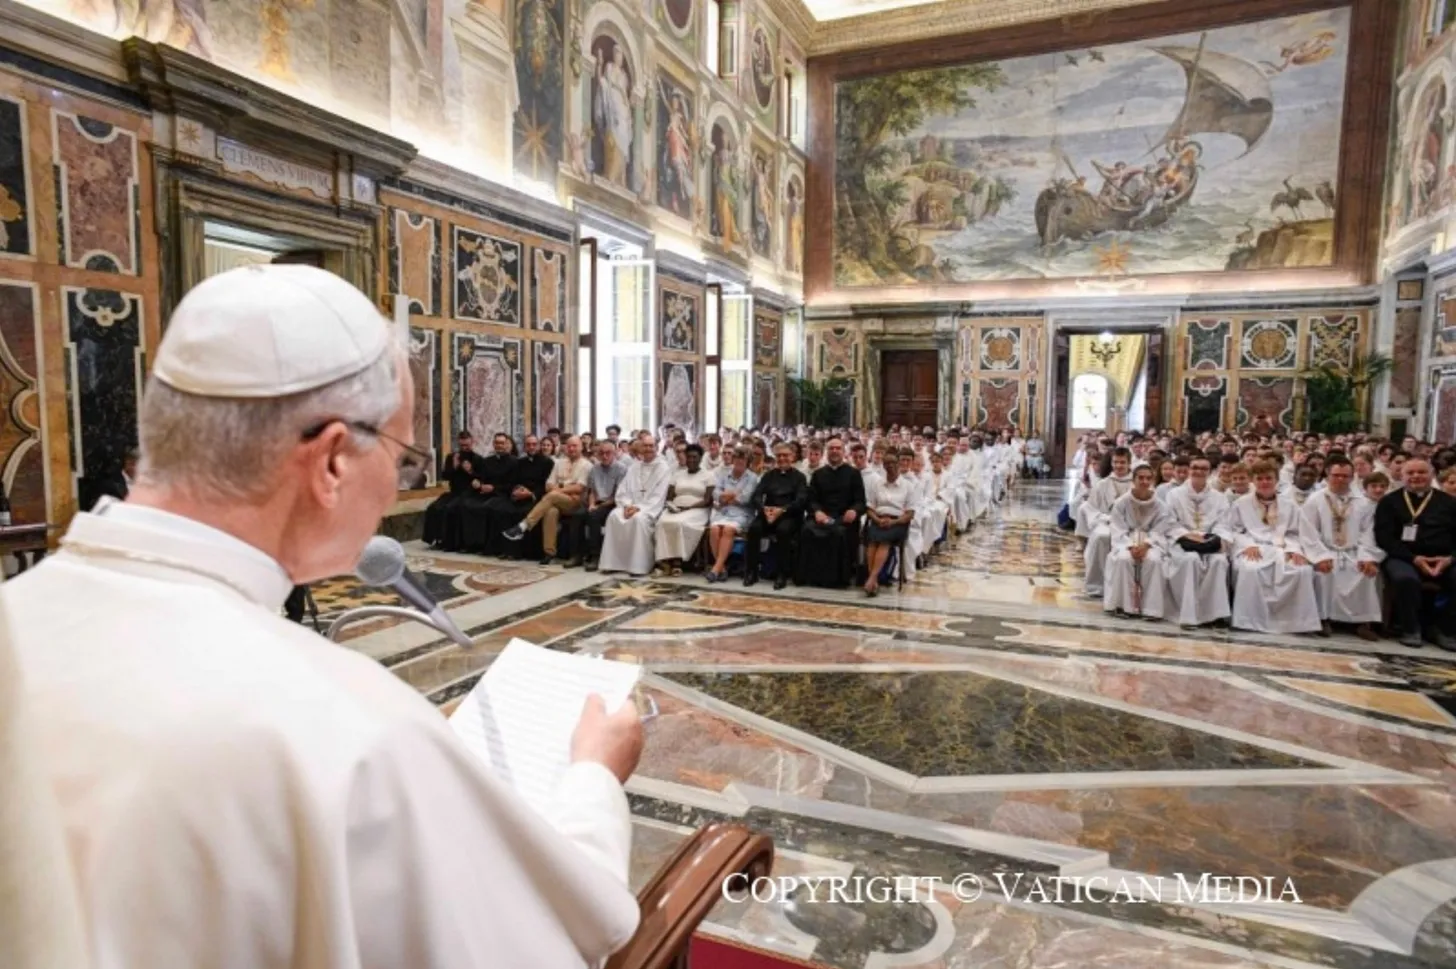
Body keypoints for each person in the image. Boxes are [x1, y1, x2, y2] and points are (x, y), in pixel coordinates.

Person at [0, 265, 644, 968]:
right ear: (333, 457)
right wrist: (595, 778)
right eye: (401, 455)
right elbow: (543, 945)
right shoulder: (351, 727)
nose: (398, 481)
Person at [1226, 460, 1321, 634]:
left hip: (1282, 548)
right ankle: (1249, 621)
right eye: (1260, 478)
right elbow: (1233, 530)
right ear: (1253, 481)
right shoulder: (1241, 503)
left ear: (1276, 480)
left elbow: (1295, 532)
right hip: (1254, 547)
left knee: (1301, 571)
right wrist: (1247, 545)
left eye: (1268, 478)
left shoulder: (1289, 504)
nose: (1264, 482)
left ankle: (1294, 622)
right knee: (1250, 569)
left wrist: (1294, 550)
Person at [1374, 458, 1456, 649]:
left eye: (1421, 472)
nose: (1416, 476)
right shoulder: (1389, 501)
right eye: (1410, 473)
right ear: (1402, 476)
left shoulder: (1450, 503)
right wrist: (1414, 558)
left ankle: (1445, 630)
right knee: (1405, 579)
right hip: (1404, 556)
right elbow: (1384, 537)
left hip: (1443, 559)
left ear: (1432, 475)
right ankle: (1410, 628)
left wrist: (1450, 559)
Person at [1299, 455, 1382, 640]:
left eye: (1345, 476)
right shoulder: (1315, 500)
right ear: (1327, 475)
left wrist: (1366, 557)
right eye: (1336, 475)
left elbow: (1368, 532)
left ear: (1352, 477)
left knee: (1365, 573)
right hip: (1325, 550)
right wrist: (1319, 556)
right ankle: (1323, 619)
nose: (1340, 480)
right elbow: (1308, 531)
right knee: (1324, 573)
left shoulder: (1363, 502)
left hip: (1353, 552)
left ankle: (1362, 622)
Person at [1163, 456, 1232, 629]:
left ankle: (1215, 614)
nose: (1199, 471)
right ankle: (1189, 614)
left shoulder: (1220, 498)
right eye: (1195, 467)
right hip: (1182, 542)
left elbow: (1224, 523)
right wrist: (1187, 536)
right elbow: (1170, 522)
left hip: (1209, 542)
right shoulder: (1174, 495)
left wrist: (1212, 539)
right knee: (1190, 560)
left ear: (1210, 472)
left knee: (1219, 561)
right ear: (1189, 470)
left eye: (1203, 468)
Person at [503, 435, 592, 565]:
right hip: (560, 500)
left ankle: (523, 526)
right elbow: (548, 485)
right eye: (569, 446)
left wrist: (558, 489)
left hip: (576, 504)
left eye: (575, 446)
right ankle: (549, 552)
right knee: (550, 511)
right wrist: (566, 489)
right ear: (565, 447)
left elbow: (579, 488)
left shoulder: (587, 465)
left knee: (552, 496)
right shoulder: (559, 463)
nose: (571, 449)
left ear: (581, 447)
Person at [1103, 465, 1173, 619]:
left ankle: (1151, 610)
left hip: (1151, 542)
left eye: (1148, 478)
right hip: (1126, 540)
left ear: (1153, 480)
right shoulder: (1121, 502)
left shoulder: (1160, 505)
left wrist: (1147, 544)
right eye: (1140, 478)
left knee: (1154, 560)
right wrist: (1130, 546)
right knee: (1123, 559)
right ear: (1133, 480)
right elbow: (1117, 528)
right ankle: (1122, 606)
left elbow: (1160, 529)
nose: (1144, 481)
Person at [797, 437, 866, 589]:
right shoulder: (818, 474)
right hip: (822, 516)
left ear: (843, 451)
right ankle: (811, 576)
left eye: (838, 448)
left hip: (843, 517)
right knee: (807, 530)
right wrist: (817, 512)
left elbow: (861, 501)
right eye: (831, 448)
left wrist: (854, 510)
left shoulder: (853, 474)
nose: (834, 451)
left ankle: (837, 579)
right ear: (826, 452)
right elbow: (812, 500)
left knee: (839, 533)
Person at [597, 437, 672, 577]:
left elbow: (659, 496)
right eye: (645, 446)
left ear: (656, 447)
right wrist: (626, 505)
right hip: (630, 505)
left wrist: (638, 508)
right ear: (640, 448)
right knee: (614, 516)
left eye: (651, 446)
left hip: (649, 509)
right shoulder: (634, 467)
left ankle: (638, 566)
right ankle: (612, 564)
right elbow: (623, 490)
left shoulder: (663, 468)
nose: (648, 449)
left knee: (638, 520)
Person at [745, 444, 807, 589]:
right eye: (779, 456)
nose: (782, 458)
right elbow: (757, 495)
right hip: (769, 514)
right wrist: (763, 509)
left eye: (785, 455)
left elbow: (801, 500)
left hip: (790, 515)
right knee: (754, 529)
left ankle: (782, 574)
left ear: (792, 457)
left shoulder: (799, 477)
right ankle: (751, 572)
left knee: (783, 531)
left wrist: (783, 510)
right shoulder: (769, 475)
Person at [482, 435, 553, 558]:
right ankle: (508, 550)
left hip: (537, 497)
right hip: (520, 496)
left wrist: (530, 494)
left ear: (538, 446)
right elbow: (514, 480)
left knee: (524, 512)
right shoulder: (520, 462)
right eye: (528, 444)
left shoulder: (548, 462)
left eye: (534, 444)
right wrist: (516, 491)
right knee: (504, 510)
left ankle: (526, 553)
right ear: (524, 447)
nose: (531, 447)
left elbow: (547, 485)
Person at [1080, 447, 1134, 597]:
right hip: (1106, 522)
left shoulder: (1137, 483)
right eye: (1116, 462)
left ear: (1129, 464)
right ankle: (1097, 586)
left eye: (1122, 462)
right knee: (1100, 537)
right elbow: (1091, 509)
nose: (1119, 466)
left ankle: (1127, 588)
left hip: (1132, 525)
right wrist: (1107, 518)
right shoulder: (1102, 484)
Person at [451, 432, 516, 552]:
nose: (499, 445)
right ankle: (470, 544)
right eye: (496, 443)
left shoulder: (514, 462)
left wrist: (494, 488)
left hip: (502, 495)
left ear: (506, 444)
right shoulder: (487, 461)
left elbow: (512, 484)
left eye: (502, 443)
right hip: (485, 493)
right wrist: (478, 482)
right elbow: (481, 477)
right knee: (467, 504)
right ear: (493, 444)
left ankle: (487, 546)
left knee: (487, 507)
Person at [654, 444, 713, 575]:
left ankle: (677, 561)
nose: (691, 460)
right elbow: (669, 497)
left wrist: (688, 507)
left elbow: (707, 500)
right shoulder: (677, 475)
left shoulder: (708, 475)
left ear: (701, 458)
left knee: (680, 523)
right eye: (689, 457)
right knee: (662, 523)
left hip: (698, 509)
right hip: (677, 507)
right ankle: (664, 560)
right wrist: (672, 506)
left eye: (695, 457)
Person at [863, 451, 914, 598]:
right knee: (873, 542)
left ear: (899, 464)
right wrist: (877, 519)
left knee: (884, 541)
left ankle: (872, 578)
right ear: (883, 466)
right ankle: (873, 580)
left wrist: (893, 521)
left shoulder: (908, 486)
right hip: (878, 518)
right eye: (887, 464)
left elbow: (910, 513)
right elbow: (870, 508)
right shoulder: (877, 483)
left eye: (893, 463)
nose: (890, 466)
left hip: (898, 522)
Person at [705, 447, 758, 583]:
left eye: (743, 459)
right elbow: (716, 493)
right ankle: (722, 569)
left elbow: (746, 498)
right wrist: (732, 494)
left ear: (748, 462)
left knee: (728, 530)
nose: (740, 461)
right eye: (737, 458)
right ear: (733, 460)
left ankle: (716, 568)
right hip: (724, 511)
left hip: (743, 513)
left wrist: (726, 495)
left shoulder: (752, 477)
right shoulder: (724, 474)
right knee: (714, 530)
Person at [424, 431, 482, 548]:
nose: (465, 448)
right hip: (454, 492)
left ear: (472, 443)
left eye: (467, 446)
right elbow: (445, 476)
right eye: (462, 446)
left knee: (451, 509)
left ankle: (451, 542)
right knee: (434, 508)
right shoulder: (451, 457)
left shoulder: (478, 459)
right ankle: (436, 538)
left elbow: (481, 478)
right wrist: (454, 466)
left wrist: (470, 471)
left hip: (470, 493)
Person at [576, 440, 627, 570]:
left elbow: (617, 495)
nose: (604, 456)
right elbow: (592, 491)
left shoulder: (621, 469)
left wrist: (598, 507)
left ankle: (595, 556)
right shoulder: (595, 468)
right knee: (577, 514)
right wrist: (592, 504)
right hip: (597, 502)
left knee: (593, 516)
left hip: (612, 503)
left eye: (608, 453)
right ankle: (576, 555)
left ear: (614, 453)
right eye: (602, 453)